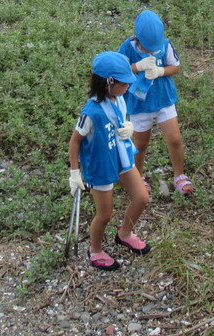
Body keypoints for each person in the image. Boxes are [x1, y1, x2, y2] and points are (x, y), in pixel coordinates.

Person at [68, 51, 150, 272]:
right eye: (124, 84)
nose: (128, 88)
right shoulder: (91, 112)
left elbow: (121, 120)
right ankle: (95, 250)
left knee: (141, 197)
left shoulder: (119, 99)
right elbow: (75, 141)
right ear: (109, 82)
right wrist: (75, 173)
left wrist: (129, 127)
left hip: (121, 155)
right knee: (104, 214)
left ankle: (124, 234)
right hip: (101, 165)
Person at [118, 10, 194, 196]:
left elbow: (175, 67)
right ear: (137, 38)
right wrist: (137, 67)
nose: (151, 51)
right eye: (147, 47)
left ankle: (179, 175)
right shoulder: (127, 47)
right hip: (139, 104)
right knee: (140, 144)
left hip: (163, 99)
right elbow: (119, 70)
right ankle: (138, 176)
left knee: (175, 139)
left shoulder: (165, 45)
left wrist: (160, 71)